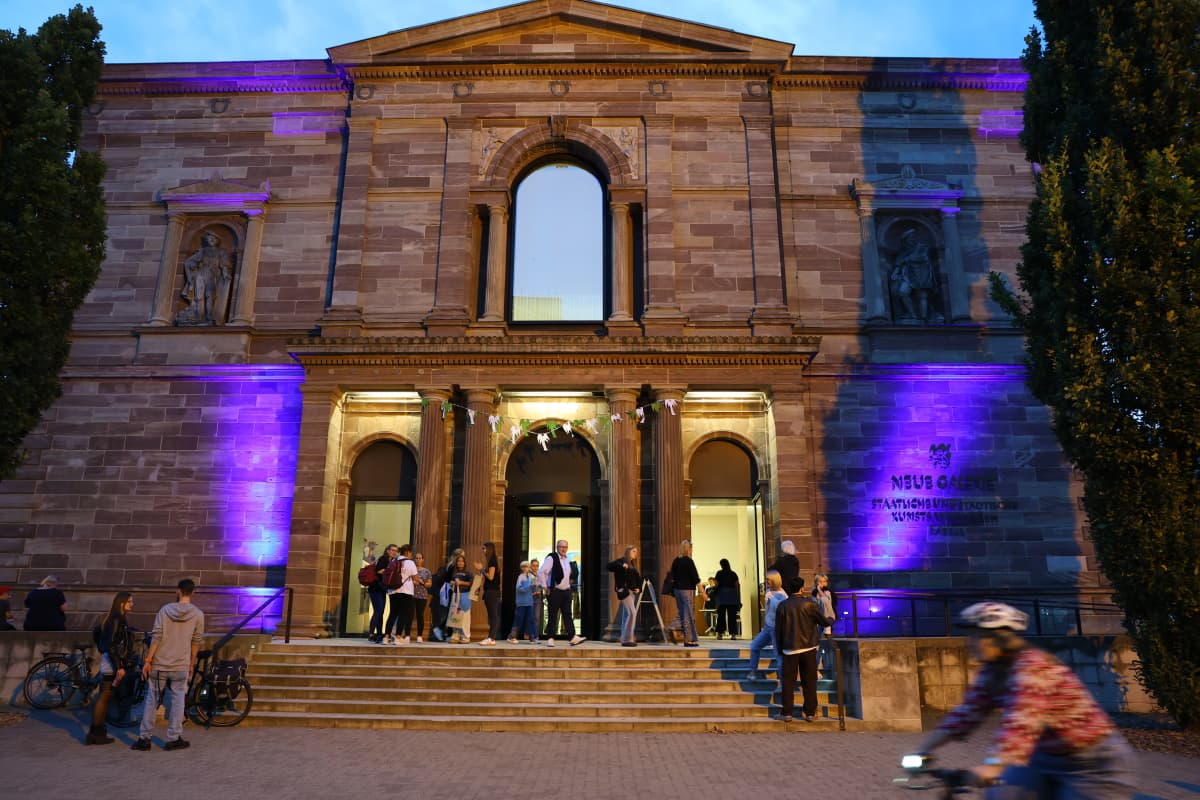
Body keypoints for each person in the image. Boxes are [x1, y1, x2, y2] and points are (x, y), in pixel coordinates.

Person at [913, 602, 1137, 798]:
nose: (971, 643)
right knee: (999, 795)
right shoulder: (991, 673)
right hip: (1042, 758)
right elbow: (965, 714)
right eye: (970, 635)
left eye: (979, 636)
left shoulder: (1033, 667)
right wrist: (922, 751)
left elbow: (1021, 723)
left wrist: (992, 767)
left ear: (1001, 638)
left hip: (1093, 764)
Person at [133, 579, 205, 751]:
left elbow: (156, 636)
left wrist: (148, 660)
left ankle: (145, 739)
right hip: (181, 664)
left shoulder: (165, 610)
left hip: (160, 663)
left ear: (178, 591)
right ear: (192, 592)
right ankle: (173, 738)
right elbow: (196, 641)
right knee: (178, 700)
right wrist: (191, 663)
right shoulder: (197, 614)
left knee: (151, 699)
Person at [774, 576, 834, 723]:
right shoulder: (810, 604)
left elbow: (778, 630)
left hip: (790, 648)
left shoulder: (783, 606)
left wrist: (780, 648)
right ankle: (810, 712)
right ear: (802, 588)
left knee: (788, 682)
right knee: (809, 681)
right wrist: (831, 619)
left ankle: (787, 712)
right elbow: (823, 621)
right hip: (809, 647)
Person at [88, 592, 137, 745]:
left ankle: (97, 731)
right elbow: (111, 645)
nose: (132, 604)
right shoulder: (117, 619)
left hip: (110, 660)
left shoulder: (114, 618)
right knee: (105, 695)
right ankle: (95, 733)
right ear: (122, 603)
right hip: (112, 662)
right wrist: (119, 666)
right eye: (129, 601)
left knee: (106, 695)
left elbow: (102, 636)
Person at [174, 230, 233, 326]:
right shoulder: (203, 251)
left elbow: (225, 264)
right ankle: (199, 315)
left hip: (213, 275)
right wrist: (191, 269)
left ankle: (209, 315)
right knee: (199, 295)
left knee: (210, 295)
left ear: (217, 241)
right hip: (201, 274)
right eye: (210, 239)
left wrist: (226, 272)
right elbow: (189, 262)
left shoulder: (221, 252)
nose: (212, 240)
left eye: (214, 239)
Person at [538, 539, 585, 646]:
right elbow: (542, 572)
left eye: (565, 547)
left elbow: (567, 574)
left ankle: (572, 637)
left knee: (568, 615)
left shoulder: (567, 559)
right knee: (553, 615)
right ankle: (550, 638)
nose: (563, 549)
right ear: (557, 547)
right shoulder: (552, 558)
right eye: (561, 547)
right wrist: (545, 587)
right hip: (555, 591)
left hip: (566, 591)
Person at [889, 228, 938, 323]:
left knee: (922, 296)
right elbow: (899, 263)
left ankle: (924, 318)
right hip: (908, 276)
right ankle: (913, 315)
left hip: (921, 275)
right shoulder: (903, 251)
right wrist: (895, 272)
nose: (912, 239)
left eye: (913, 237)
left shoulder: (922, 247)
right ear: (905, 240)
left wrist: (907, 259)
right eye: (910, 238)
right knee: (902, 292)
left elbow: (923, 257)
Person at [745, 570, 786, 681]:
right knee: (754, 646)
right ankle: (752, 672)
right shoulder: (768, 591)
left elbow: (780, 608)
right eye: (766, 579)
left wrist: (771, 598)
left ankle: (783, 683)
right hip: (768, 627)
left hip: (776, 628)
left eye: (768, 580)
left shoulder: (782, 595)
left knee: (778, 656)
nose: (766, 581)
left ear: (775, 581)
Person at [667, 540, 702, 647]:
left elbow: (672, 575)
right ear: (688, 549)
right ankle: (688, 639)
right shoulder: (688, 561)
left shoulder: (676, 561)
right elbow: (695, 578)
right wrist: (703, 592)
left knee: (683, 613)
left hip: (677, 590)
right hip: (687, 590)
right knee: (688, 614)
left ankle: (675, 627)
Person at [606, 545, 642, 647]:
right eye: (633, 551)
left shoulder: (633, 564)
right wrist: (621, 566)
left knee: (627, 614)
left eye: (636, 552)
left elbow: (637, 578)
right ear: (628, 552)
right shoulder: (621, 561)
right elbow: (609, 566)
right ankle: (627, 638)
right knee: (632, 613)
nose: (635, 553)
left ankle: (625, 638)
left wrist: (638, 588)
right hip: (624, 591)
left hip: (631, 592)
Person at [383, 544, 418, 644]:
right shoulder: (410, 563)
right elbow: (415, 578)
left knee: (392, 614)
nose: (412, 554)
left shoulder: (394, 561)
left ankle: (386, 637)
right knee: (403, 614)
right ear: (407, 552)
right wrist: (421, 582)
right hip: (405, 591)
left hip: (393, 591)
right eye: (411, 552)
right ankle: (398, 636)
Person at [368, 544, 397, 643]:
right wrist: (390, 571)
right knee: (378, 611)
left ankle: (379, 633)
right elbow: (379, 571)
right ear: (388, 550)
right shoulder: (384, 558)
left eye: (396, 551)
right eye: (393, 550)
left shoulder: (390, 561)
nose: (394, 552)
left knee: (380, 612)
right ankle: (371, 634)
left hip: (381, 590)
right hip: (375, 588)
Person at [507, 561, 538, 644]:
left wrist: (536, 585)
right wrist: (529, 587)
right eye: (524, 567)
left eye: (527, 566)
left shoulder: (531, 577)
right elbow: (519, 588)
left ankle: (532, 637)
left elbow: (534, 589)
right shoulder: (520, 577)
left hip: (529, 602)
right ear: (521, 568)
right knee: (518, 619)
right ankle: (511, 636)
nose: (525, 568)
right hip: (521, 602)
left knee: (530, 619)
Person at [812, 572, 837, 672]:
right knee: (816, 645)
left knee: (825, 643)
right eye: (820, 581)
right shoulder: (814, 593)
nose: (822, 583)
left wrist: (819, 590)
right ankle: (816, 666)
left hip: (827, 619)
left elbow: (826, 601)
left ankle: (824, 665)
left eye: (824, 581)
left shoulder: (827, 592)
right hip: (818, 621)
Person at [445, 553, 473, 643]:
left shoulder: (468, 573)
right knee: (455, 615)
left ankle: (465, 636)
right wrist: (452, 582)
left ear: (465, 563)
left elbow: (471, 583)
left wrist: (461, 583)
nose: (460, 563)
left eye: (462, 561)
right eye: (458, 561)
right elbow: (450, 581)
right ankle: (455, 635)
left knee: (465, 617)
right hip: (455, 595)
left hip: (465, 595)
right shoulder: (454, 573)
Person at [478, 541, 501, 646]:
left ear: (489, 549)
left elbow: (490, 577)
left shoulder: (492, 561)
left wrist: (482, 570)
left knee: (493, 616)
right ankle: (490, 637)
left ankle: (492, 638)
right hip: (490, 591)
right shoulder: (491, 561)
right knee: (492, 616)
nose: (483, 551)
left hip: (492, 592)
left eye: (484, 549)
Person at [713, 558, 741, 639]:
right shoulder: (733, 574)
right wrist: (738, 598)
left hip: (722, 596)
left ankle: (720, 634)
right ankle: (733, 634)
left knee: (721, 615)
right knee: (732, 616)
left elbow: (716, 584)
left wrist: (715, 594)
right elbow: (737, 585)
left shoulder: (719, 573)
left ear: (721, 565)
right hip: (732, 596)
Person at [412, 553, 432, 643]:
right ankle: (407, 635)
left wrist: (421, 582)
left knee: (420, 615)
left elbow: (429, 584)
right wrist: (413, 581)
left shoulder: (426, 571)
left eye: (420, 558)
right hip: (411, 595)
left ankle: (419, 635)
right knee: (409, 615)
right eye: (416, 558)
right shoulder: (411, 569)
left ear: (423, 559)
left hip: (422, 596)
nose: (418, 560)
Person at [529, 557, 545, 638]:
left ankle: (536, 636)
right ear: (530, 566)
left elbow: (543, 585)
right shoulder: (528, 575)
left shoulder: (540, 575)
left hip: (538, 597)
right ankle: (531, 636)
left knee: (537, 617)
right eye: (534, 566)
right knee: (530, 617)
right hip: (530, 598)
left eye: (537, 566)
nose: (535, 567)